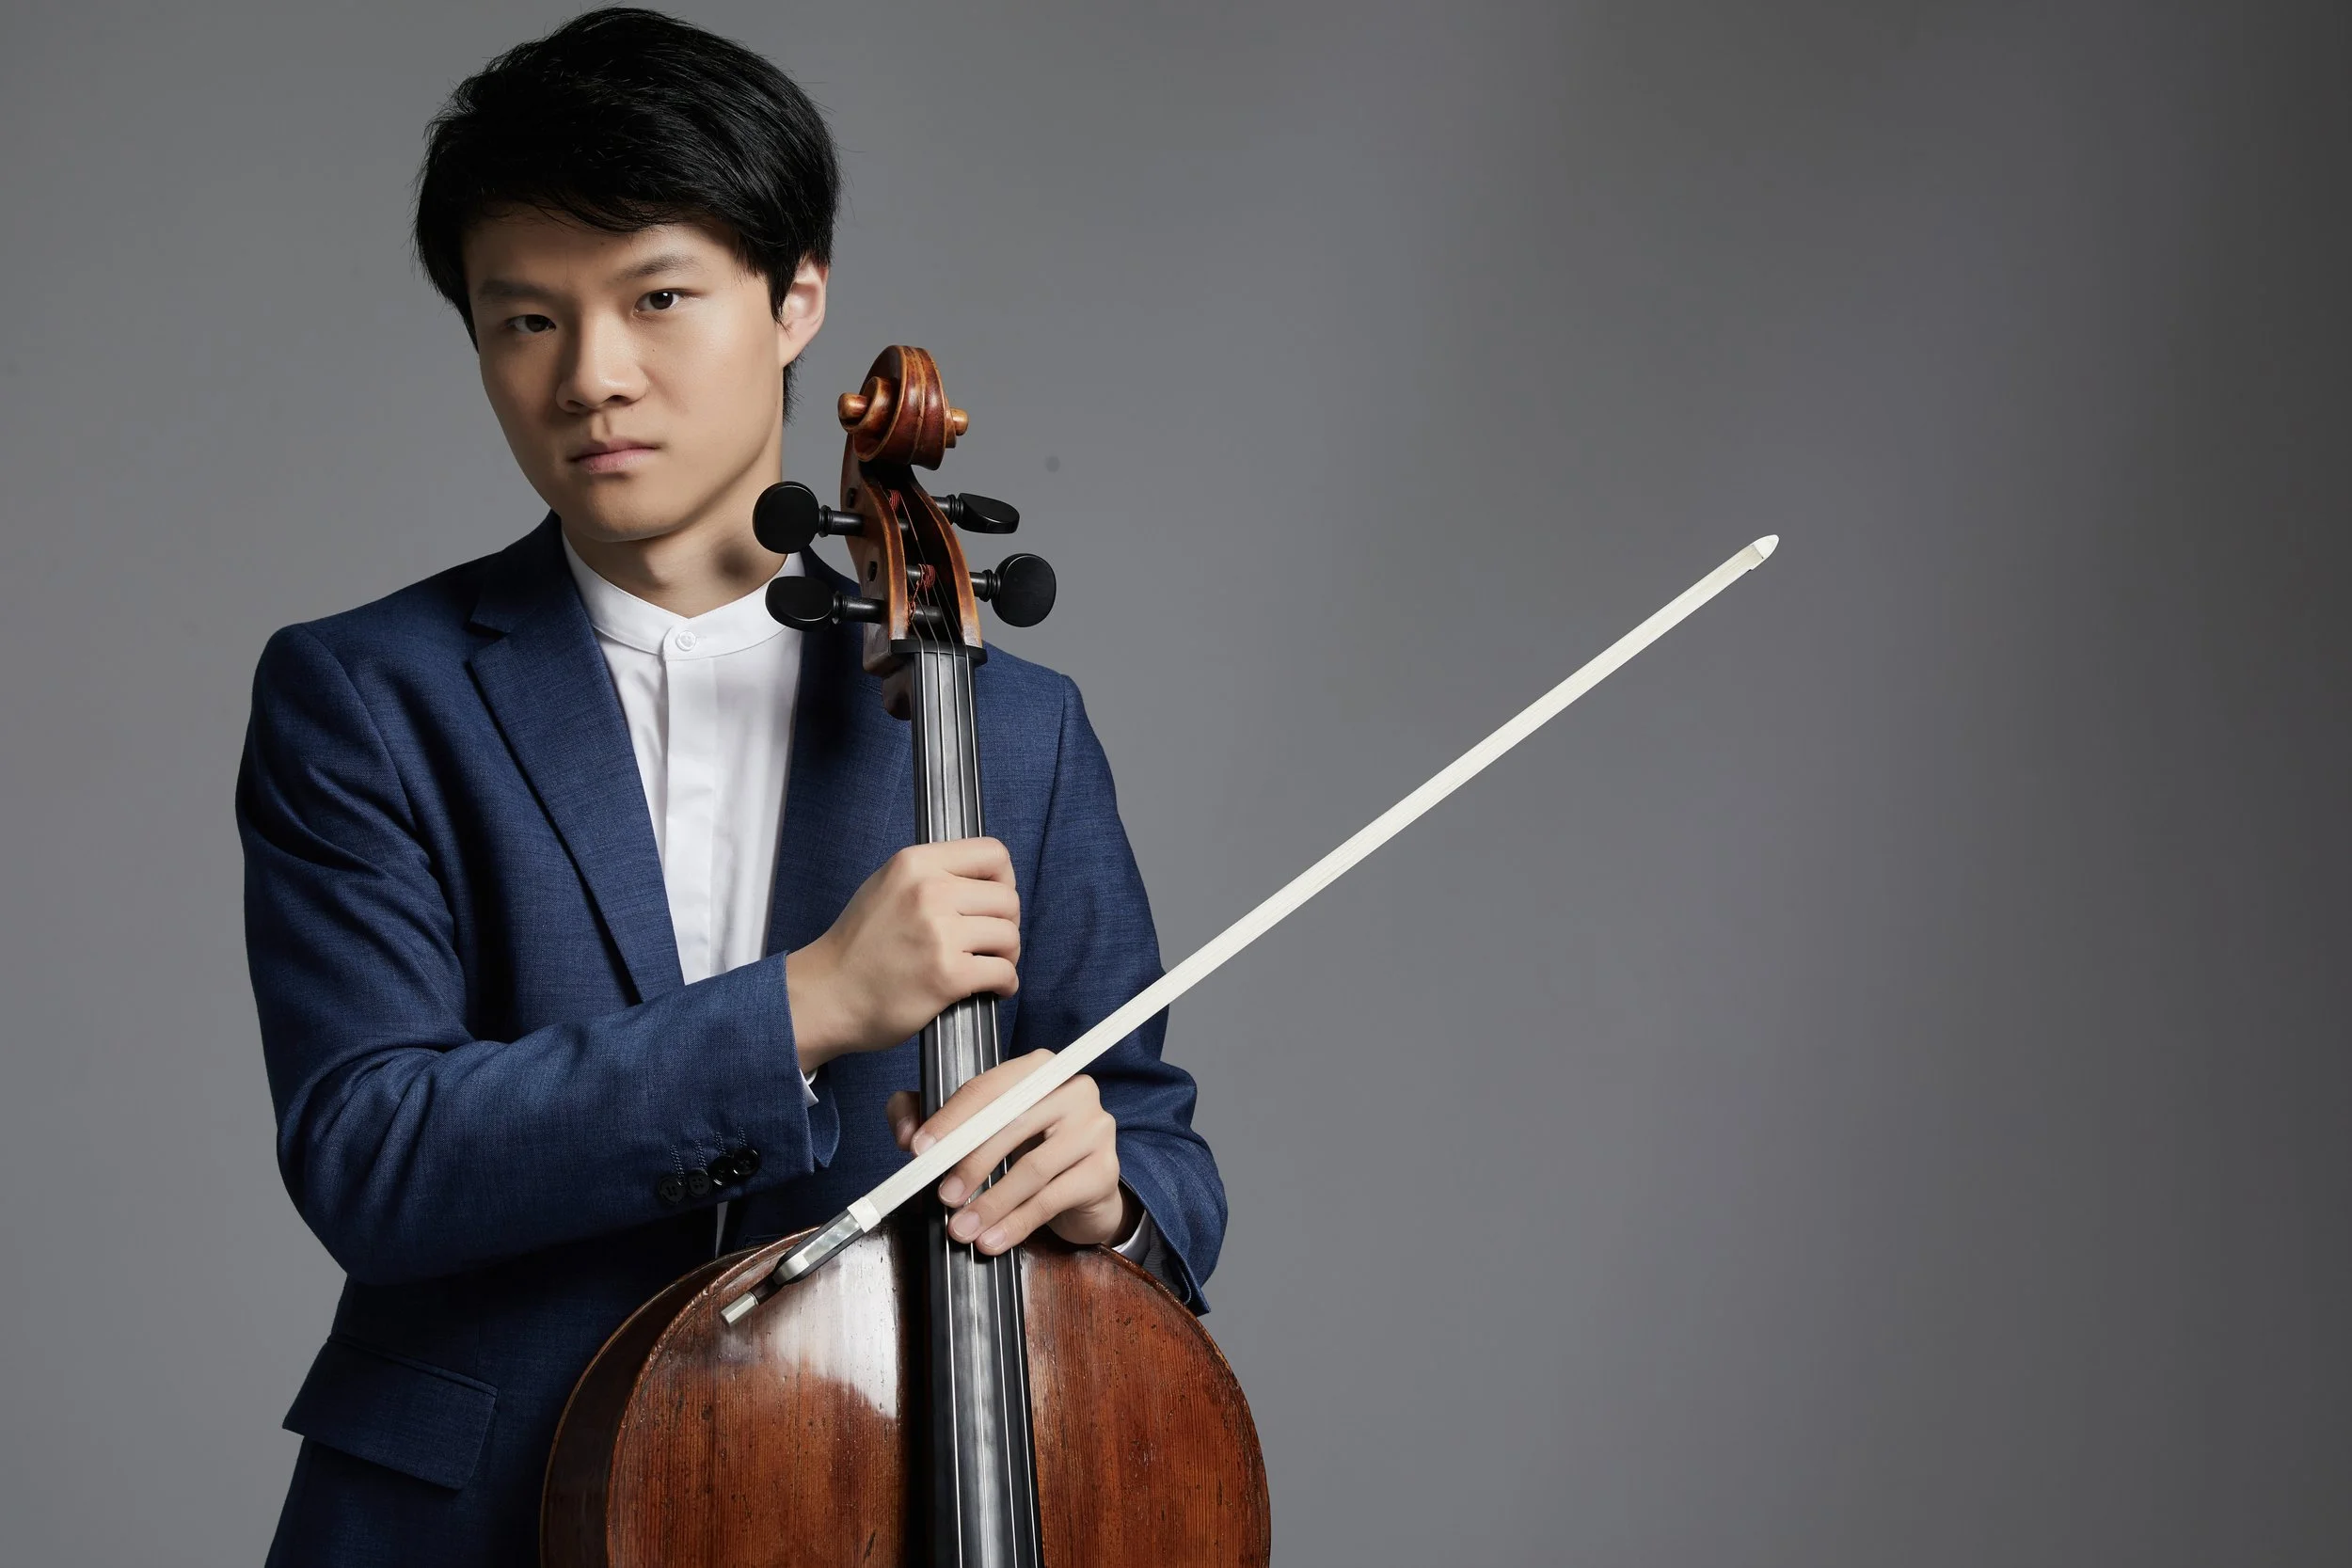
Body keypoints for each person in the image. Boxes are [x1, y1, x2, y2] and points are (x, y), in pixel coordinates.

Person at [235, 8, 1226, 1561]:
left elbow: (1155, 1141)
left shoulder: (1011, 732)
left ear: (794, 297)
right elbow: (374, 1151)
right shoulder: (366, 695)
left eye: (659, 297)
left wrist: (1107, 1188)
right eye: (526, 320)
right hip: (474, 1520)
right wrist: (807, 1007)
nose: (591, 378)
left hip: (857, 1503)